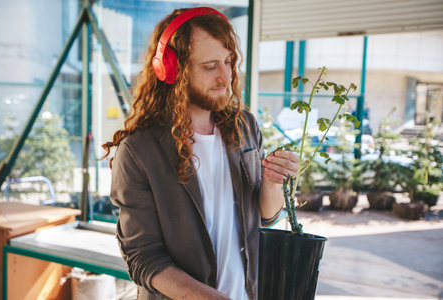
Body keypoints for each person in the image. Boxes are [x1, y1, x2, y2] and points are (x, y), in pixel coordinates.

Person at [102, 7, 299, 300]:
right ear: (172, 70)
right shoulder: (139, 151)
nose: (226, 76)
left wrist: (272, 182)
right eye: (210, 67)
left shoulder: (244, 126)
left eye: (229, 62)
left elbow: (265, 218)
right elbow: (142, 256)